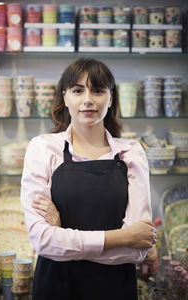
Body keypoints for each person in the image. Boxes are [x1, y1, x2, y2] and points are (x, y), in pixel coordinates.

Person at [21, 57, 156, 300]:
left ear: (111, 98)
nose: (87, 100)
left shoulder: (131, 152)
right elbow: (42, 241)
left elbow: (137, 251)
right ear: (65, 96)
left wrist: (62, 235)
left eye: (97, 90)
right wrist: (123, 237)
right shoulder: (42, 148)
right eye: (77, 90)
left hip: (116, 289)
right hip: (56, 286)